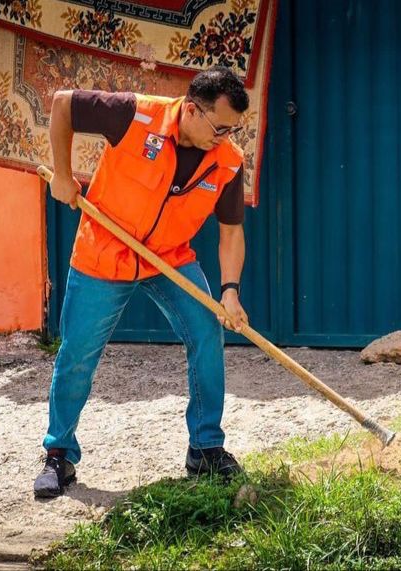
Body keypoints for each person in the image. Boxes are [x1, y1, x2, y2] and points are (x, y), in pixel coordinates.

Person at [34, 66, 251, 498]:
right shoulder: (135, 116)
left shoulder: (227, 162)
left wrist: (230, 291)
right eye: (220, 127)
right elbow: (62, 103)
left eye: (232, 130)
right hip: (105, 252)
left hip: (168, 259)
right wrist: (62, 174)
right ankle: (59, 455)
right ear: (191, 109)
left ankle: (205, 448)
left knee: (207, 333)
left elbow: (231, 231)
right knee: (77, 353)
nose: (225, 138)